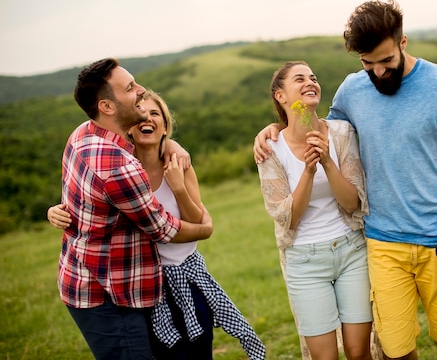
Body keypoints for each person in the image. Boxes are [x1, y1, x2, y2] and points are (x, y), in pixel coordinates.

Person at [253, 0, 437, 360]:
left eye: (385, 61)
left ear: (402, 42)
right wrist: (276, 129)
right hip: (382, 243)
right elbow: (320, 131)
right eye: (366, 63)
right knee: (394, 349)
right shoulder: (351, 91)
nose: (377, 72)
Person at [49, 90, 266, 359]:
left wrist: (179, 188)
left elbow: (194, 221)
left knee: (200, 352)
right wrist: (54, 211)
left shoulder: (179, 165)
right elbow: (88, 203)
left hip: (188, 277)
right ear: (128, 127)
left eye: (155, 114)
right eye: (140, 113)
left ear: (165, 127)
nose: (146, 119)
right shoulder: (121, 170)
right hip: (148, 286)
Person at [53, 58, 214, 360]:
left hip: (86, 276)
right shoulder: (119, 166)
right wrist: (206, 229)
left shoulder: (83, 133)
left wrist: (171, 144)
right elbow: (164, 229)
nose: (140, 90)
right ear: (107, 107)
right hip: (107, 295)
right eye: (129, 88)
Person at [257, 61, 380, 360]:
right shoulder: (270, 148)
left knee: (358, 351)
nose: (310, 82)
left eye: (313, 77)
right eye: (299, 79)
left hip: (352, 251)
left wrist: (327, 160)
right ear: (280, 96)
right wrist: (309, 171)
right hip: (305, 261)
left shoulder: (340, 133)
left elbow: (353, 203)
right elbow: (288, 217)